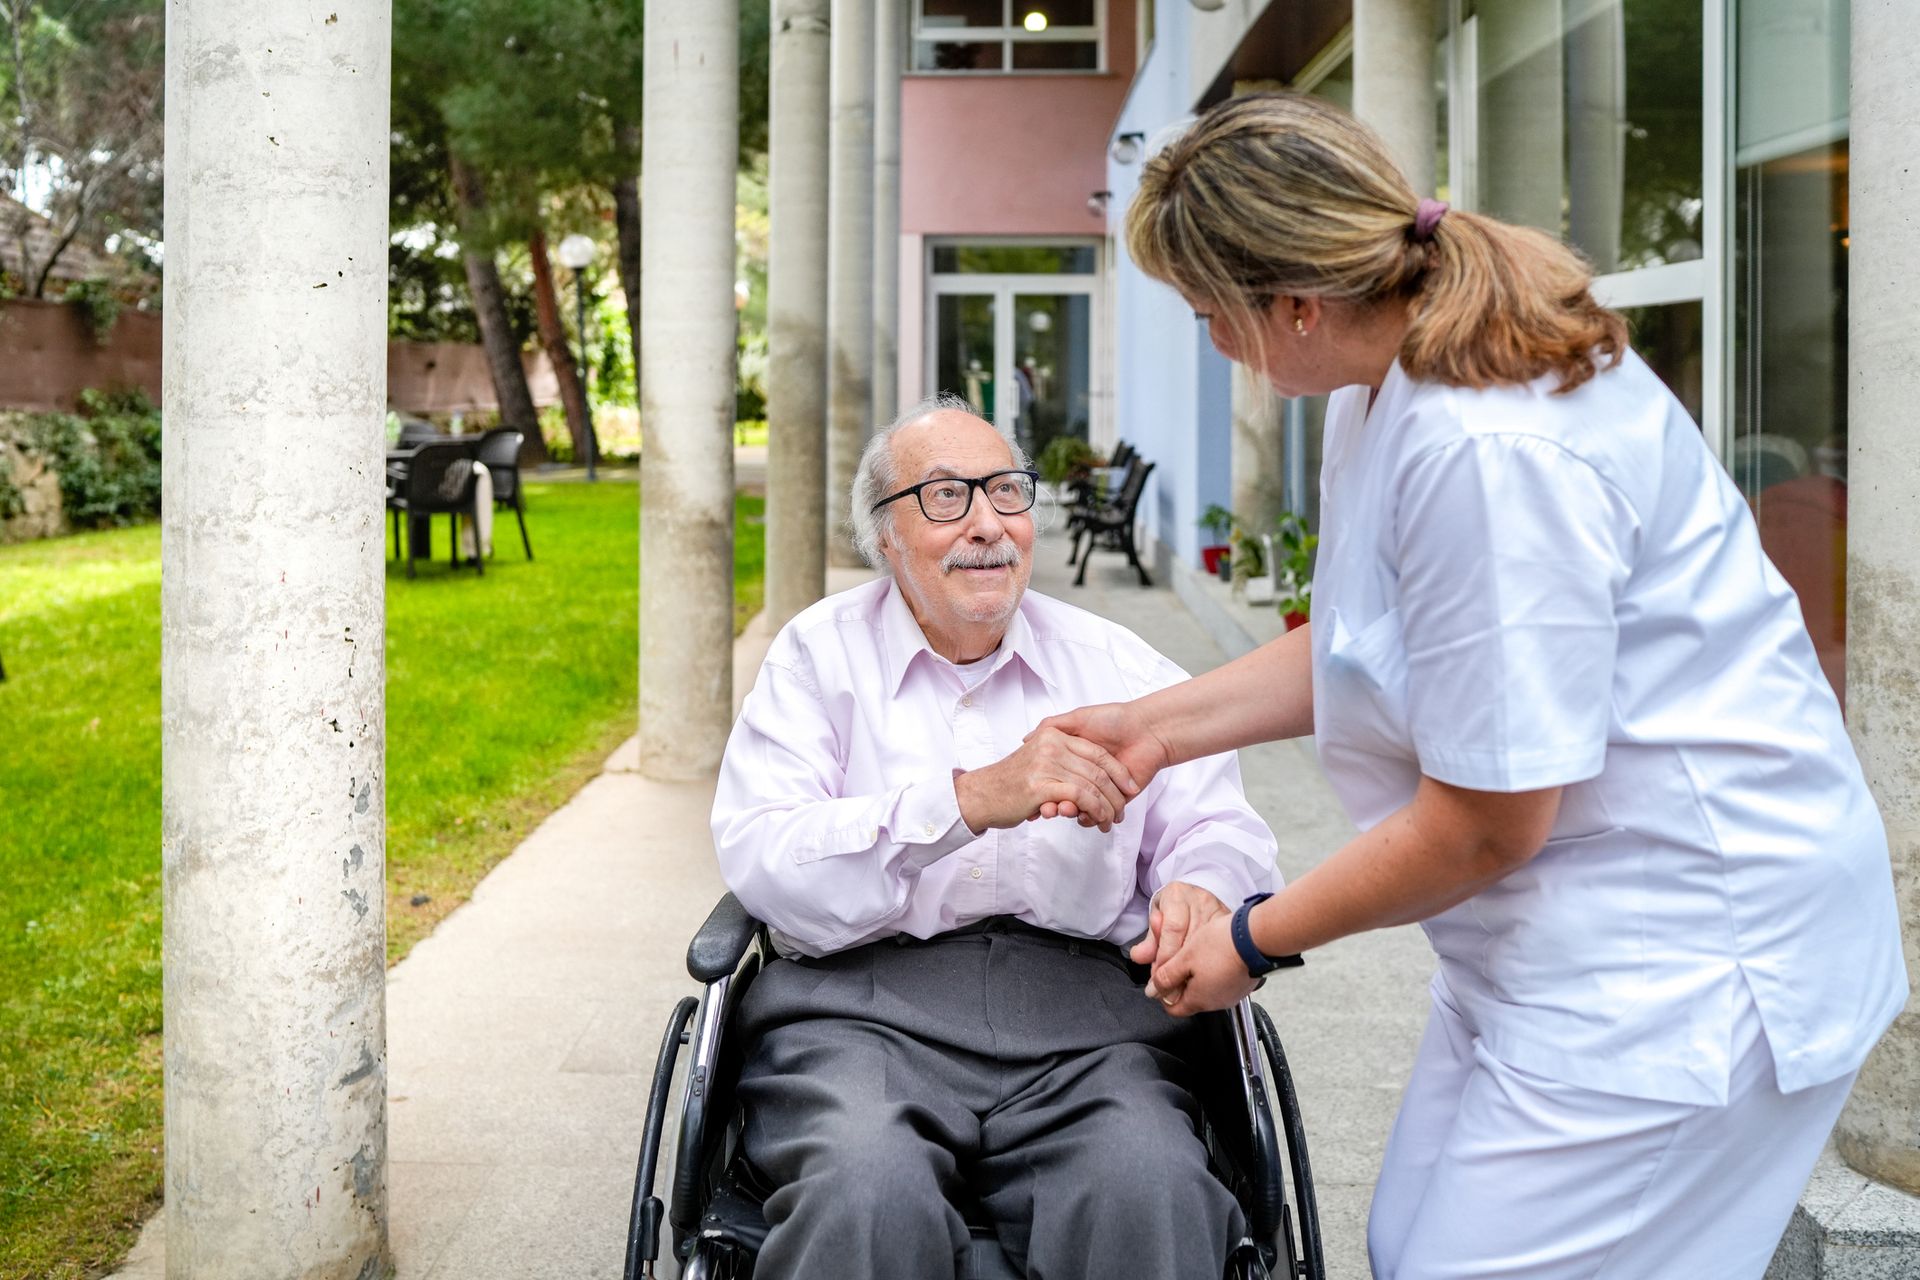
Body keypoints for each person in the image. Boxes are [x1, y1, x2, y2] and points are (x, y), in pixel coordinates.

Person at [1040, 94, 1907, 1279]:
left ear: (1294, 302)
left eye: (1209, 316)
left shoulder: (1487, 449)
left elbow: (1489, 818)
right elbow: (1366, 640)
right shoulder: (1379, 384)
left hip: (1691, 961)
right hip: (1558, 943)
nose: (1216, 347)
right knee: (1405, 1243)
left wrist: (1253, 935)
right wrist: (1151, 727)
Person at [710, 395, 1279, 1279]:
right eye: (946, 497)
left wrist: (1201, 885)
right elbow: (767, 860)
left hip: (1091, 1031)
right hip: (856, 1017)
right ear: (885, 537)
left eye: (1007, 493)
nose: (988, 524)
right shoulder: (818, 659)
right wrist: (971, 799)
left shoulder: (1117, 666)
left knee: (1152, 1187)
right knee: (863, 1194)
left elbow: (1219, 824)